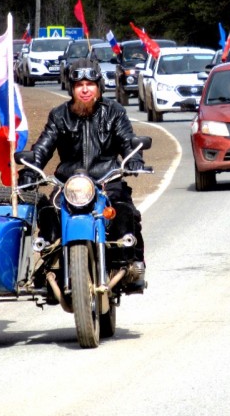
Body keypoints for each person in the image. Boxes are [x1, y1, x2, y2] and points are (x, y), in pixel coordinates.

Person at [17, 57, 148, 291]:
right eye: (79, 85)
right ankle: (48, 266)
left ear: (99, 86)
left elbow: (128, 140)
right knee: (48, 212)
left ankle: (131, 263)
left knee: (124, 211)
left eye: (90, 83)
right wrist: (30, 169)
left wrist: (135, 157)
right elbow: (43, 147)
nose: (85, 89)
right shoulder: (59, 116)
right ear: (72, 88)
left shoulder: (114, 112)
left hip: (107, 180)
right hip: (69, 184)